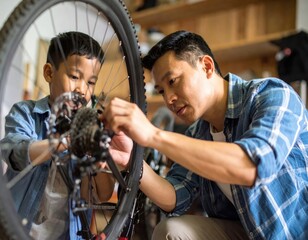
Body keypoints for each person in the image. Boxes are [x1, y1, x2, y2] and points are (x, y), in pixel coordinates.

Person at [102, 30, 308, 239]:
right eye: (162, 91)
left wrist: (154, 135)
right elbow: (175, 195)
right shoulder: (197, 133)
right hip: (246, 233)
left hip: (293, 234)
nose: (169, 99)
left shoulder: (272, 94)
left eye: (172, 81)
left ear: (207, 66)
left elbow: (251, 166)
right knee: (172, 231)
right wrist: (132, 161)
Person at [0, 31, 119, 239]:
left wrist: (98, 154)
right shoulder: (25, 113)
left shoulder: (91, 128)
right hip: (16, 230)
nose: (82, 89)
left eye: (91, 82)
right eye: (74, 77)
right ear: (49, 73)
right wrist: (68, 141)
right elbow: (16, 152)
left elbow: (102, 194)